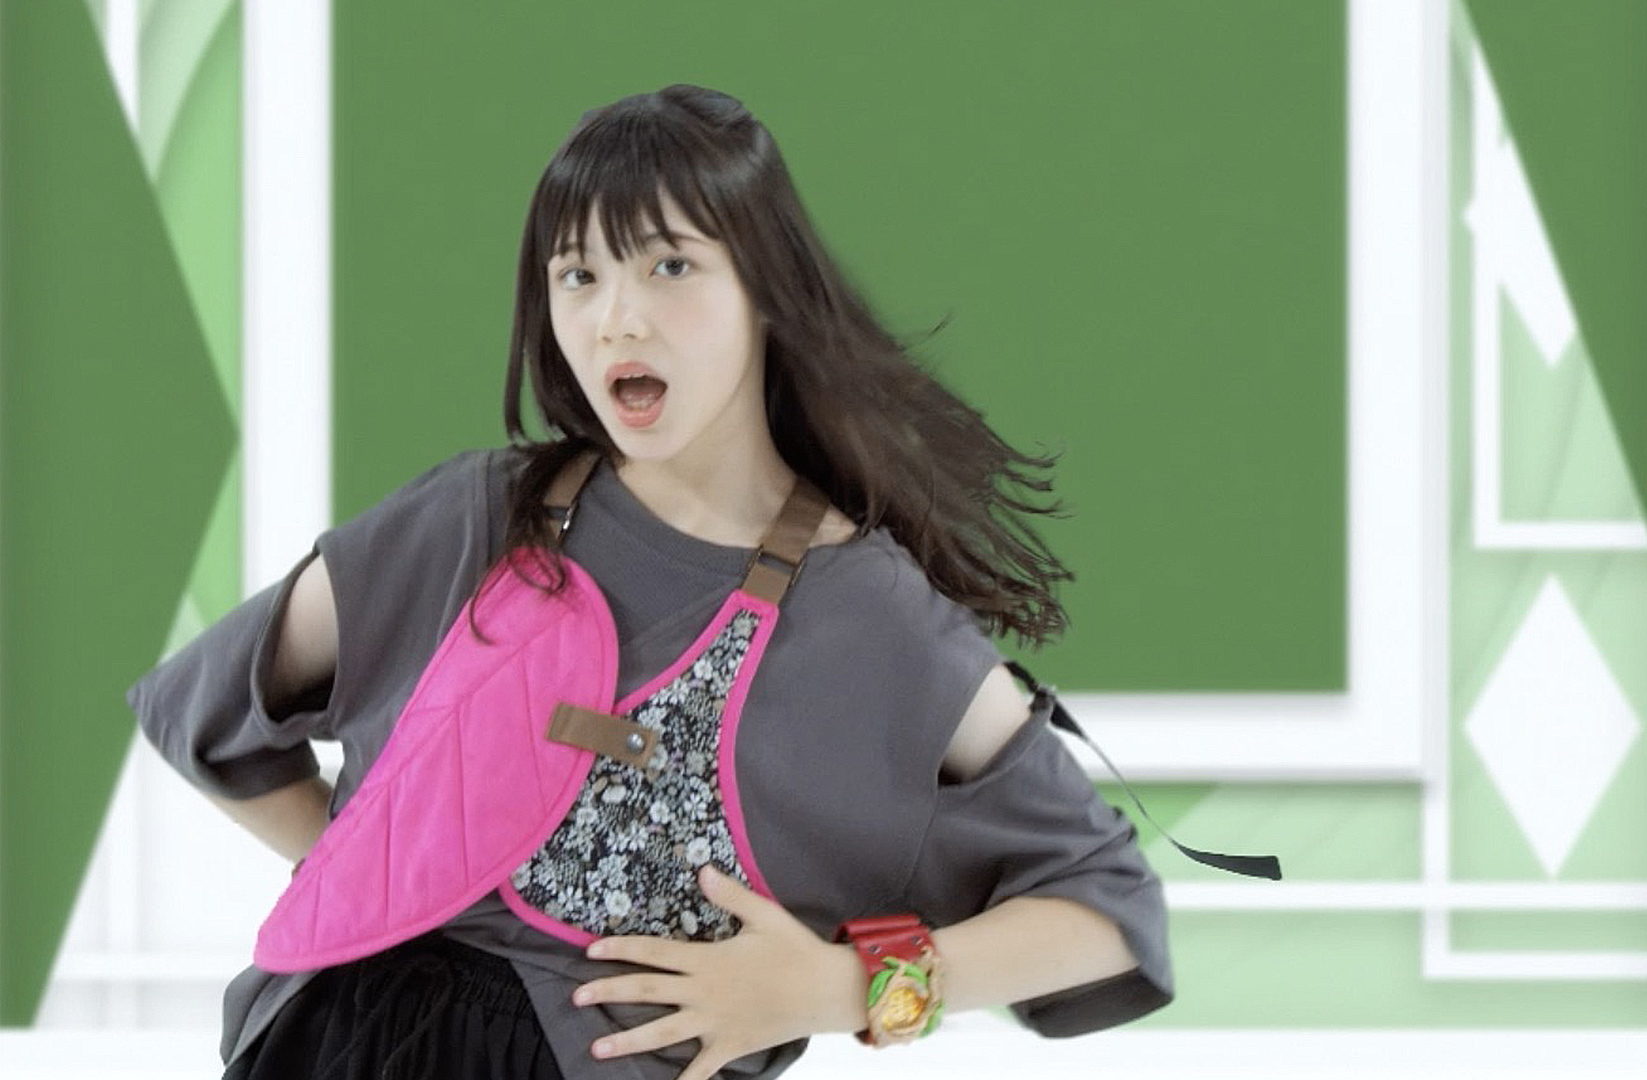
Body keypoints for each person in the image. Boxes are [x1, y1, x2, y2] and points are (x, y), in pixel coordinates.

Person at [129, 83, 1171, 1080]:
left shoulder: (875, 618)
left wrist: (840, 988)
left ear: (768, 291)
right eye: (578, 275)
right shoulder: (477, 518)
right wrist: (386, 875)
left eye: (670, 265)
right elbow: (205, 708)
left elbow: (1107, 910)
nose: (617, 319)